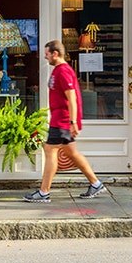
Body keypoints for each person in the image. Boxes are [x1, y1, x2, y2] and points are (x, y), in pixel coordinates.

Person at [24, 40, 105, 203]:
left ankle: (44, 192)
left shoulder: (64, 71)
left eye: (47, 54)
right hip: (59, 119)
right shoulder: (57, 71)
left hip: (62, 120)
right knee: (71, 153)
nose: (45, 58)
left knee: (50, 151)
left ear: (55, 53)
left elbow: (72, 98)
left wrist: (73, 121)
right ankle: (96, 183)